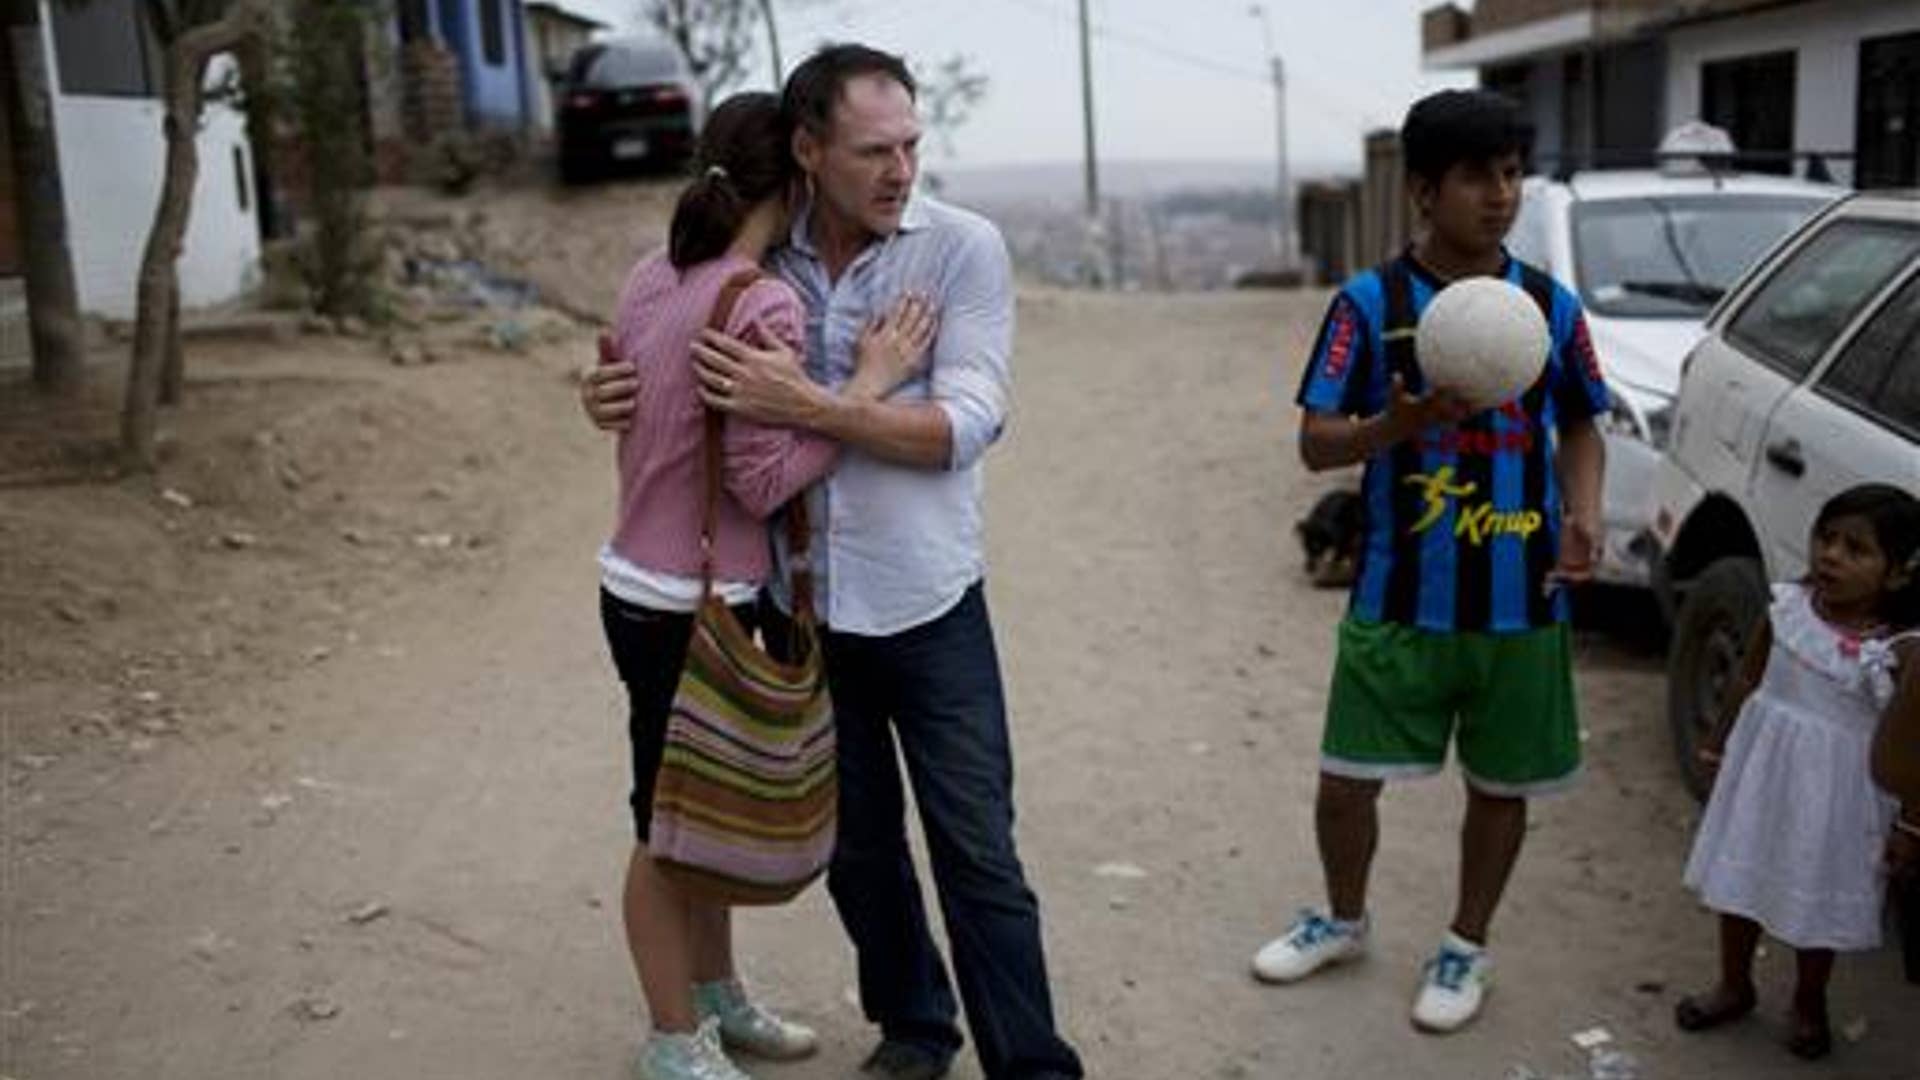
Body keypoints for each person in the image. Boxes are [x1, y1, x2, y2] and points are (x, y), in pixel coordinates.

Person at [583, 45, 1085, 1080]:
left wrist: (818, 403)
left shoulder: (961, 250)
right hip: (800, 607)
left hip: (930, 601)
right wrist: (609, 397)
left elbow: (966, 425)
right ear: (808, 152)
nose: (901, 169)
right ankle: (914, 1028)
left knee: (978, 851)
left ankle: (1032, 1064)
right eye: (873, 150)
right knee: (854, 850)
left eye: (911, 144)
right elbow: (675, 366)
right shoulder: (760, 260)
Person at [1251, 88, 1609, 1035]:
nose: (1499, 195)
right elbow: (1317, 445)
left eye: (1509, 174)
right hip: (1398, 595)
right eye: (1474, 177)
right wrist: (1394, 425)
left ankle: (1465, 944)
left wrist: (1585, 512)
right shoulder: (1368, 305)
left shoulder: (1546, 305)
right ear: (1422, 190)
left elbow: (1579, 420)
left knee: (1500, 788)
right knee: (1344, 781)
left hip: (1521, 600)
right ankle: (1342, 917)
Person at [595, 91, 933, 1080]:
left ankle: (714, 998)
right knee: (668, 832)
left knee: (691, 812)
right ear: (795, 177)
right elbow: (759, 479)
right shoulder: (764, 299)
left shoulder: (651, 276)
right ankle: (671, 1041)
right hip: (695, 599)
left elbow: (634, 414)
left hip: (633, 584)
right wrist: (864, 393)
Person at [1675, 484, 1920, 1060]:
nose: (1831, 555)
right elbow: (1747, 678)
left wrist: (1911, 823)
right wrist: (1715, 746)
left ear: (1898, 574)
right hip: (1761, 775)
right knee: (1739, 879)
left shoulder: (1899, 650)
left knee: (1818, 900)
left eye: (1856, 549)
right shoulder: (1786, 609)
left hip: (1840, 799)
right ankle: (1734, 984)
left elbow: (1913, 747)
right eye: (1826, 538)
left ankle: (1810, 1001)